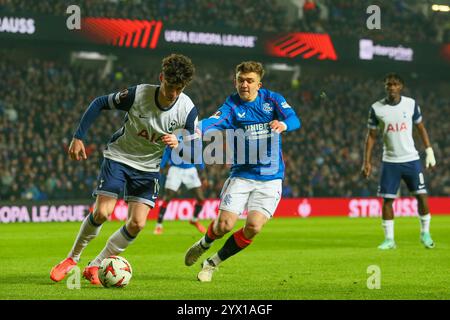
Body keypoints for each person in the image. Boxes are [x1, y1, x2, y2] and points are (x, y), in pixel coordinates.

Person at [50, 53, 197, 284]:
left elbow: (193, 138)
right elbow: (99, 102)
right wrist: (78, 137)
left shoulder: (187, 108)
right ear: (161, 78)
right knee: (102, 213)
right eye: (170, 86)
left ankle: (96, 265)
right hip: (120, 157)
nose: (173, 94)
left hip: (148, 168)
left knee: (137, 223)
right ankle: (71, 259)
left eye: (179, 88)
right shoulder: (138, 94)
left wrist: (180, 141)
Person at [184, 61, 301, 282]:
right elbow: (214, 121)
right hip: (242, 176)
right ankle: (204, 243)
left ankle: (212, 263)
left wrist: (284, 125)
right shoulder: (232, 105)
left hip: (271, 178)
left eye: (249, 81)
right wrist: (196, 130)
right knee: (224, 225)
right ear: (235, 81)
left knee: (254, 227)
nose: (244, 85)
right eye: (240, 80)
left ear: (259, 84)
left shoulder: (272, 99)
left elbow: (294, 119)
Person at [361, 73, 437, 250]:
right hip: (390, 161)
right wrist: (367, 161)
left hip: (411, 159)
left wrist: (429, 151)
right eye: (388, 85)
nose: (392, 88)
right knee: (387, 200)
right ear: (385, 87)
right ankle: (389, 240)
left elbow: (421, 128)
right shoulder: (376, 108)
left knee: (422, 196)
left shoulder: (411, 104)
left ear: (401, 86)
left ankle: (425, 233)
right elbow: (371, 136)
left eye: (395, 84)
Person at [153, 145, 207, 235]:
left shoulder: (193, 139)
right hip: (175, 170)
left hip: (190, 170)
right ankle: (159, 225)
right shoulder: (175, 136)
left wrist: (203, 174)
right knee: (168, 197)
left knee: (201, 199)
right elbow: (167, 152)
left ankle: (194, 220)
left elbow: (198, 156)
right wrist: (161, 167)